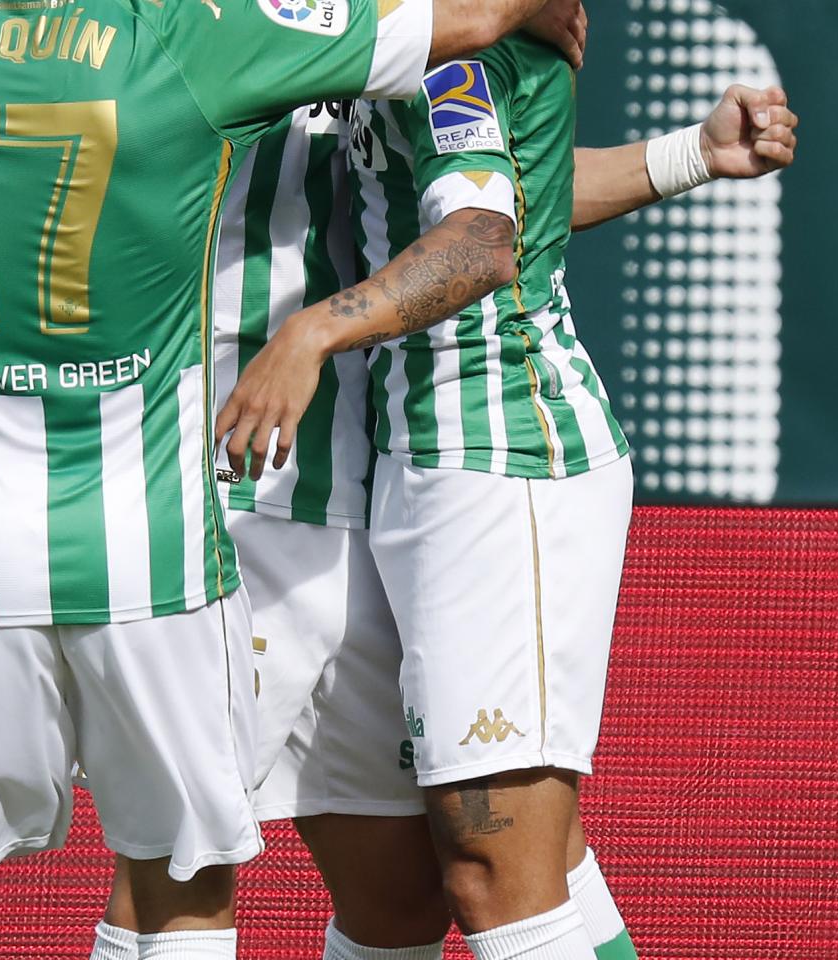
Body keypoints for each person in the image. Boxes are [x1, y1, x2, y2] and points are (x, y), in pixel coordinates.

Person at [0, 0, 584, 957]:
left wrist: (684, 155)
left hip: (6, 537)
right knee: (177, 894)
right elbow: (469, 29)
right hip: (180, 524)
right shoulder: (187, 38)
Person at [216, 29, 797, 960]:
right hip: (422, 460)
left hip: (502, 458)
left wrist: (313, 333)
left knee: (497, 873)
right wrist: (690, 153)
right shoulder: (424, 31)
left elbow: (486, 235)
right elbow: (512, 187)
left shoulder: (455, 50)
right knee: (540, 860)